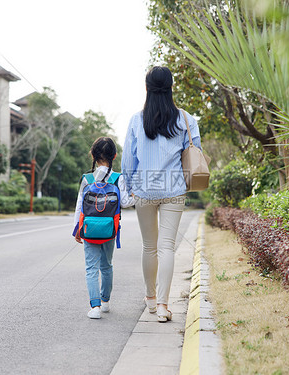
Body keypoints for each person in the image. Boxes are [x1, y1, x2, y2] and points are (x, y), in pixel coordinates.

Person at [122, 66, 202, 323]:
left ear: (147, 88)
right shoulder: (186, 119)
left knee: (149, 246)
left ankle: (151, 299)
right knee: (167, 247)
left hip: (144, 188)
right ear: (170, 87)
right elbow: (195, 151)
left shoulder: (137, 120)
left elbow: (127, 161)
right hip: (174, 188)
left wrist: (131, 186)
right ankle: (165, 306)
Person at [73, 137, 134, 319]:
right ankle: (106, 301)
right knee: (106, 266)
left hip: (89, 229)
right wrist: (136, 193)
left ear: (92, 155)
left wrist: (77, 229)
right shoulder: (118, 178)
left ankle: (95, 307)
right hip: (110, 230)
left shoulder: (87, 179)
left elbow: (79, 206)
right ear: (114, 155)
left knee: (91, 268)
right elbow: (125, 202)